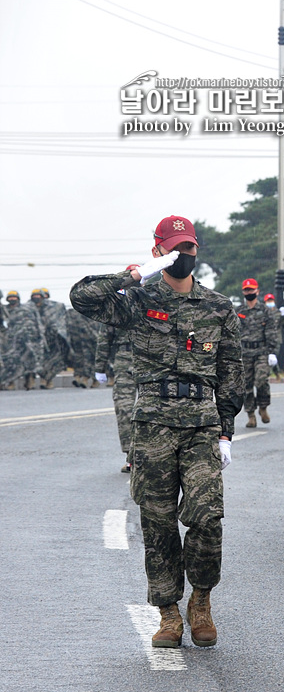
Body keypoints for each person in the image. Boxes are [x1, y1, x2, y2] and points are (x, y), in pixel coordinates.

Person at [70, 215, 244, 648]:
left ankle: (200, 602)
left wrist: (225, 431)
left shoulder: (219, 307)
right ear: (158, 252)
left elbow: (231, 372)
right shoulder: (136, 300)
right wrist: (128, 277)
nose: (182, 256)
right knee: (158, 523)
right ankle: (168, 613)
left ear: (196, 252)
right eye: (173, 249)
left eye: (187, 249)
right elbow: (82, 298)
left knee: (208, 520)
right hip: (152, 427)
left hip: (202, 425)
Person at [95, 317, 137, 471]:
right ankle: (131, 456)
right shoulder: (117, 302)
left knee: (158, 408)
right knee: (124, 407)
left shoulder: (159, 297)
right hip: (125, 359)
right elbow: (105, 338)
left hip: (156, 360)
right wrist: (100, 367)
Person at [236, 279, 280, 428]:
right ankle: (251, 415)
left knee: (261, 380)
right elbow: (233, 332)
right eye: (246, 290)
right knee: (246, 385)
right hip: (244, 352)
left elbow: (272, 331)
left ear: (257, 291)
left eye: (251, 290)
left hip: (262, 351)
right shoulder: (239, 311)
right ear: (243, 292)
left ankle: (263, 407)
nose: (249, 293)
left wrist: (272, 352)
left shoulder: (265, 311)